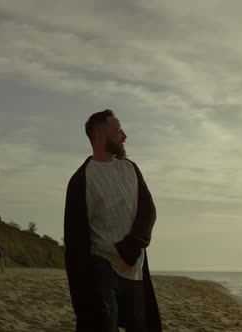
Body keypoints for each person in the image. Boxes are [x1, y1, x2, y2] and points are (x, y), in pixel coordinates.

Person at [64, 109, 161, 332]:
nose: (124, 135)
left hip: (135, 266)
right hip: (101, 267)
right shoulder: (81, 180)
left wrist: (133, 244)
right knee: (103, 325)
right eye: (118, 131)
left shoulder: (131, 169)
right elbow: (75, 241)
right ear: (99, 135)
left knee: (139, 326)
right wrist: (80, 294)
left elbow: (148, 210)